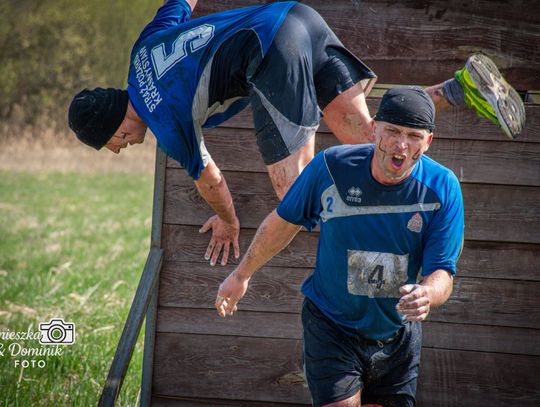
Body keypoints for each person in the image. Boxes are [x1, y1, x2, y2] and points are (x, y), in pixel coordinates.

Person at [67, 0, 521, 267]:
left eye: (112, 143)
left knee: (296, 195)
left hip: (272, 54)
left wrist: (228, 221)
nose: (120, 149)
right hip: (298, 17)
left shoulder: (163, 120)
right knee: (369, 137)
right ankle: (458, 88)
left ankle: (368, 255)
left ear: (113, 124)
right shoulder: (143, 49)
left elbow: (211, 180)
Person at [215, 86, 465, 406]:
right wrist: (241, 274)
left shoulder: (442, 188)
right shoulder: (331, 167)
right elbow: (283, 222)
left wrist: (428, 293)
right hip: (332, 325)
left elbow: (442, 272)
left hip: (398, 334)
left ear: (428, 141)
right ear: (373, 129)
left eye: (414, 136)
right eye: (392, 131)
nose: (401, 145)